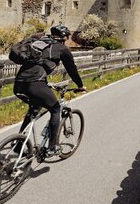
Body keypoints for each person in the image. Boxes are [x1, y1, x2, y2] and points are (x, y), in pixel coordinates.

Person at [13, 25, 86, 154]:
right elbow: (72, 70)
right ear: (64, 37)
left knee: (34, 108)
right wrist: (80, 85)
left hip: (18, 84)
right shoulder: (62, 49)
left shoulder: (38, 44)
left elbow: (35, 66)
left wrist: (46, 83)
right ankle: (52, 147)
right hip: (35, 84)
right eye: (67, 37)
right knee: (55, 109)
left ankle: (19, 143)